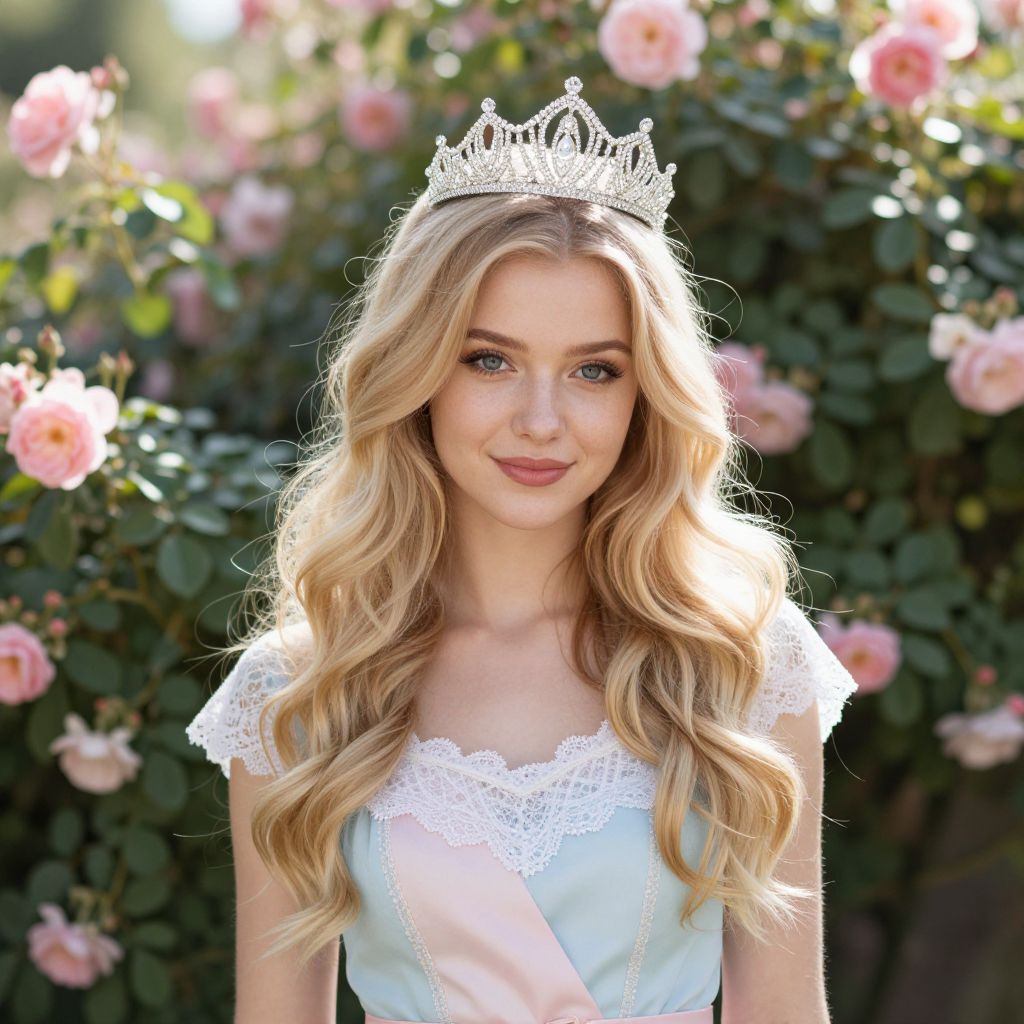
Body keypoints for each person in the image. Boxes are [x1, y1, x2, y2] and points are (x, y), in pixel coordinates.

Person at [186, 78, 859, 1024]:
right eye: (488, 359)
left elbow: (787, 1014)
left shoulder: (743, 661)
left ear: (644, 397)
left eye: (593, 370)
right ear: (417, 372)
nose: (540, 422)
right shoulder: (299, 690)